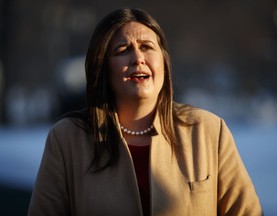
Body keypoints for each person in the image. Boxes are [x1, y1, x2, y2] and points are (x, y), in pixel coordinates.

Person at [28, 8, 263, 216]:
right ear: (102, 67)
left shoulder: (208, 131)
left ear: (163, 62)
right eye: (122, 50)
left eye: (147, 47)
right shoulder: (66, 140)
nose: (138, 58)